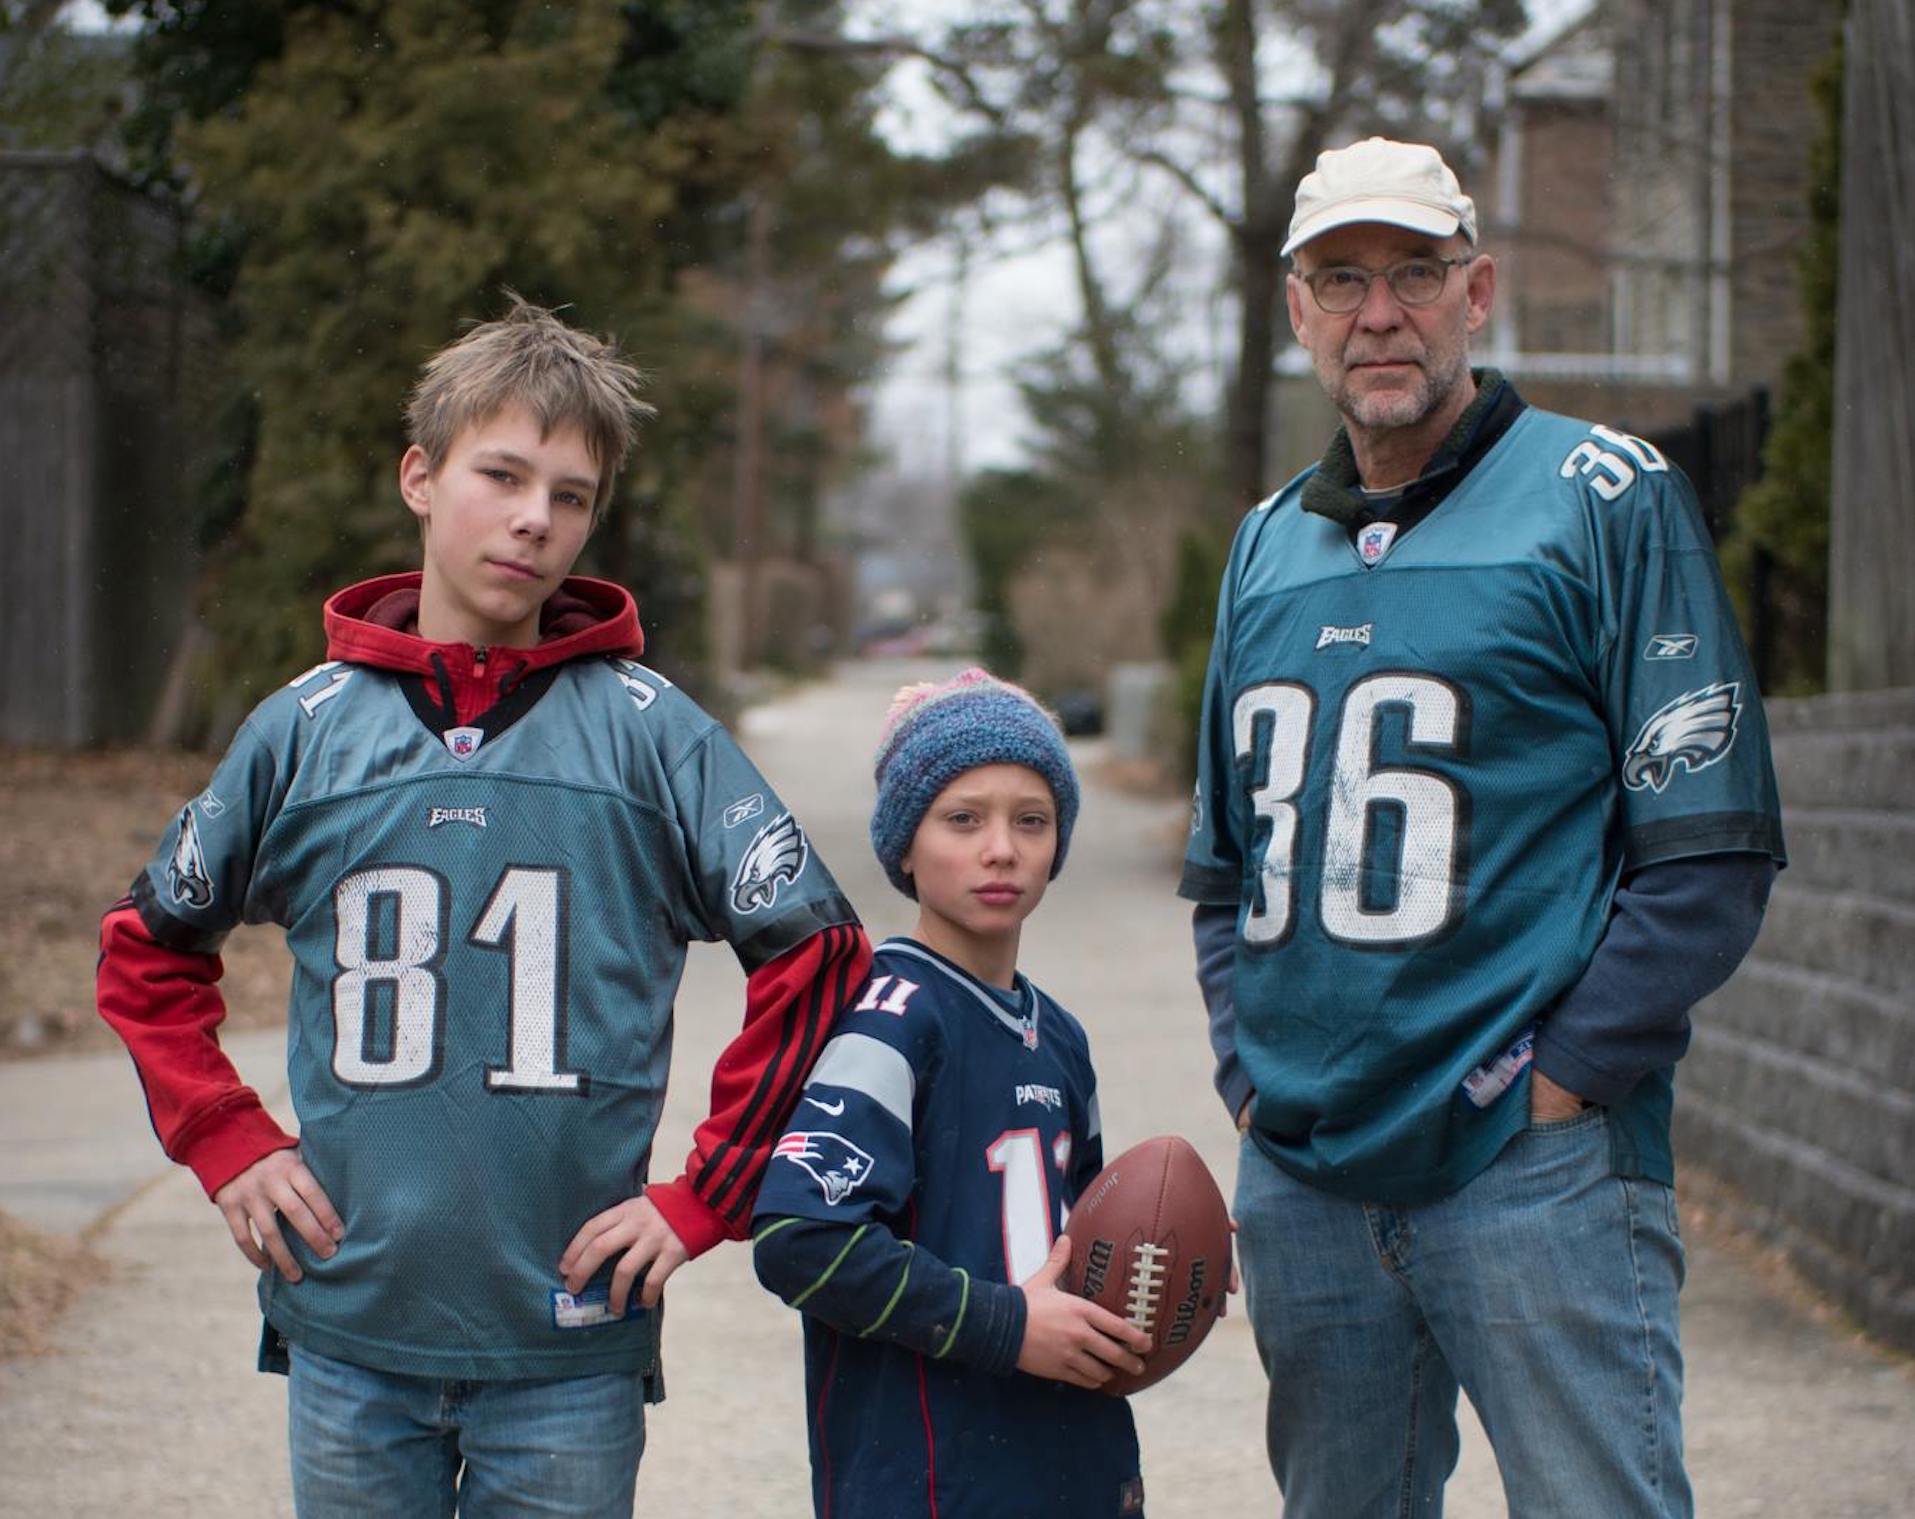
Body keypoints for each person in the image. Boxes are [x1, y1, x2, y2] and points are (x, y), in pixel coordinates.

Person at [95, 296, 871, 1518]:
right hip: (350, 1331)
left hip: (566, 1345)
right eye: (501, 475)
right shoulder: (301, 733)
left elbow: (820, 956)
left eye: (570, 495)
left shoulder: (652, 736)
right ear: (419, 474)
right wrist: (224, 1135)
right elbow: (146, 949)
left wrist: (705, 1190)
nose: (534, 520)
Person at [1181, 137, 1786, 1518]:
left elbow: (1707, 847)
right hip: (1307, 1174)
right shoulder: (1265, 541)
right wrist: (1248, 1077)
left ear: (1477, 290)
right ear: (1295, 310)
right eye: (1340, 279)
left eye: (1412, 274)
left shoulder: (1603, 497)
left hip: (1531, 1169)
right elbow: (1226, 870)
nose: (1375, 313)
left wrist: (1560, 1080)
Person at [753, 670, 1153, 1519]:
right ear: (903, 843)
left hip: (1069, 1464)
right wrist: (1004, 1325)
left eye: (1031, 820)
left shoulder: (1062, 1036)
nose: (1000, 848)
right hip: (930, 1477)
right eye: (962, 818)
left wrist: (1161, 1257)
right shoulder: (888, 1019)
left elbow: (1078, 1243)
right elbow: (800, 1238)